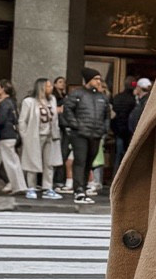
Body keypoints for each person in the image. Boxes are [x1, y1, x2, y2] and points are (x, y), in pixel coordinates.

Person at [62, 72, 113, 204]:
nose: (98, 81)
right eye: (95, 79)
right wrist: (75, 125)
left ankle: (83, 188)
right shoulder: (77, 94)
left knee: (89, 162)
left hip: (96, 134)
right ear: (89, 80)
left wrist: (104, 129)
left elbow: (107, 115)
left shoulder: (102, 97)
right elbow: (67, 109)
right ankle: (78, 190)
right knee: (80, 161)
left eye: (99, 79)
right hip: (80, 134)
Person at [18, 78, 63, 200]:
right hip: (34, 136)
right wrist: (25, 136)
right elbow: (22, 120)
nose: (51, 88)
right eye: (48, 86)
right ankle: (31, 187)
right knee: (32, 162)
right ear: (41, 87)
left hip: (50, 135)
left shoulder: (52, 100)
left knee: (49, 163)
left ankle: (47, 187)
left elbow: (55, 118)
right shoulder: (29, 102)